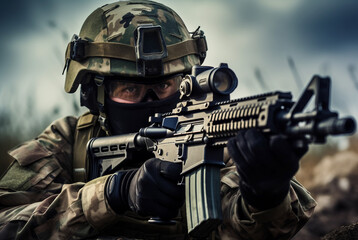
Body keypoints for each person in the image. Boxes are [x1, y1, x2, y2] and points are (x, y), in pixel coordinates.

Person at [0, 0, 316, 239]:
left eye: (165, 86)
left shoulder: (216, 135)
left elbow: (244, 232)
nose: (151, 101)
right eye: (130, 89)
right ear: (94, 95)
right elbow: (6, 223)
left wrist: (266, 195)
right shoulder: (66, 142)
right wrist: (113, 193)